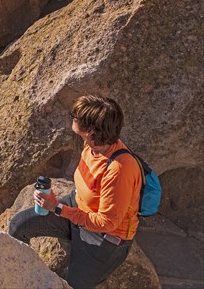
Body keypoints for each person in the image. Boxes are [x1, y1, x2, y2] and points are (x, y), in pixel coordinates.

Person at [8, 95, 142, 289]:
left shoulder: (119, 170)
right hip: (77, 206)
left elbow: (107, 223)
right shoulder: (92, 145)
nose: (73, 118)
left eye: (76, 117)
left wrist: (57, 208)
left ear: (91, 131)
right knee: (18, 227)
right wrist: (59, 206)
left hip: (104, 238)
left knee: (71, 286)